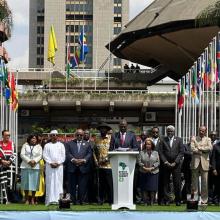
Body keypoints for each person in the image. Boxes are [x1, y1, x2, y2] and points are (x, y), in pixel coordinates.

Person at [65, 129, 92, 204]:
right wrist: (73, 159)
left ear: (83, 135)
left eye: (81, 135)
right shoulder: (69, 143)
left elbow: (89, 154)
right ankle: (72, 200)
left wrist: (84, 160)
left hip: (83, 167)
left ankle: (82, 201)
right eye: (78, 135)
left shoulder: (87, 144)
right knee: (71, 186)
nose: (79, 136)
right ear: (75, 135)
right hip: (72, 167)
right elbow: (67, 153)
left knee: (82, 186)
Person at [159, 125, 184, 206]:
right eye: (168, 131)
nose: (170, 132)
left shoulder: (179, 140)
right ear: (166, 132)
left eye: (171, 131)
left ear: (174, 132)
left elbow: (181, 152)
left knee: (177, 183)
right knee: (165, 183)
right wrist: (165, 162)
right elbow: (161, 152)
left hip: (176, 165)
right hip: (166, 165)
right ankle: (167, 200)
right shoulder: (163, 140)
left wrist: (175, 162)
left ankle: (178, 200)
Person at [43, 130, 66, 206]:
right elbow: (45, 156)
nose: (54, 136)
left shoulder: (61, 145)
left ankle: (59, 200)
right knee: (50, 183)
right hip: (49, 167)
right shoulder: (47, 145)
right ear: (50, 136)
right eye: (53, 135)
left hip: (59, 167)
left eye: (56, 135)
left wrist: (58, 163)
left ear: (57, 136)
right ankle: (49, 200)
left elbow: (63, 156)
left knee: (59, 183)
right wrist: (50, 163)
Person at [190, 126, 212, 205]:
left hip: (205, 163)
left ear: (205, 132)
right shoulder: (194, 138)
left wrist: (199, 148)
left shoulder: (208, 139)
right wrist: (202, 149)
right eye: (200, 130)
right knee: (194, 183)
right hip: (195, 162)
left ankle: (204, 200)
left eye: (203, 131)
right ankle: (194, 200)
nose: (201, 132)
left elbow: (210, 148)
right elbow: (192, 148)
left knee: (204, 183)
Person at [93, 123, 113, 205]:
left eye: (104, 129)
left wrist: (106, 159)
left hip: (109, 165)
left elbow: (113, 151)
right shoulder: (97, 139)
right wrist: (96, 162)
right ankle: (100, 200)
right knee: (101, 184)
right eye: (101, 129)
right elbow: (94, 151)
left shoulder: (111, 139)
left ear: (107, 130)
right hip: (100, 166)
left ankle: (111, 201)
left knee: (109, 184)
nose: (103, 130)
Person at [20, 134, 42, 205]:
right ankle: (26, 199)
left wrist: (34, 161)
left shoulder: (39, 146)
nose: (33, 140)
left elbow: (40, 155)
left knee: (34, 184)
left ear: (36, 140)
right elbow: (22, 155)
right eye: (32, 138)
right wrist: (29, 161)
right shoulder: (25, 145)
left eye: (35, 138)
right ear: (29, 139)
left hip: (35, 166)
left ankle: (32, 199)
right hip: (25, 166)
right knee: (25, 183)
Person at [138, 138, 159, 205]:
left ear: (152, 145)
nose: (148, 145)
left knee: (153, 188)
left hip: (154, 172)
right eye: (146, 144)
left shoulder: (156, 153)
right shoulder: (141, 152)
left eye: (149, 144)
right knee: (144, 188)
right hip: (143, 172)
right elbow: (139, 161)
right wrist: (144, 168)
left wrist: (152, 168)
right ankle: (145, 201)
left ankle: (152, 201)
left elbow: (158, 162)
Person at [0, 130, 16, 204]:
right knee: (2, 182)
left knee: (9, 184)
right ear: (2, 136)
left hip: (10, 165)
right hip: (1, 165)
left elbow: (14, 154)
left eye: (9, 135)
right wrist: (2, 161)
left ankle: (8, 199)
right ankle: (2, 199)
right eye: (6, 135)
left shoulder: (12, 144)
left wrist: (9, 161)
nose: (8, 137)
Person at [211, 141, 220, 205]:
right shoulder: (216, 146)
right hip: (218, 169)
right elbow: (213, 158)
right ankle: (216, 199)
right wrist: (214, 169)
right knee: (217, 185)